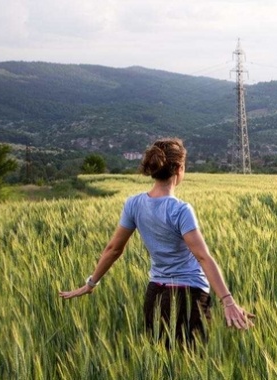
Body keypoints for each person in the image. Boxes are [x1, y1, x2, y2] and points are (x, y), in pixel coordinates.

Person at [59, 137, 254, 347]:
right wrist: (228, 301)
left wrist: (91, 283)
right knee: (188, 364)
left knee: (161, 362)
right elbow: (202, 256)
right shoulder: (180, 210)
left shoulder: (133, 204)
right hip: (188, 296)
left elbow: (113, 249)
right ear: (179, 168)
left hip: (155, 295)